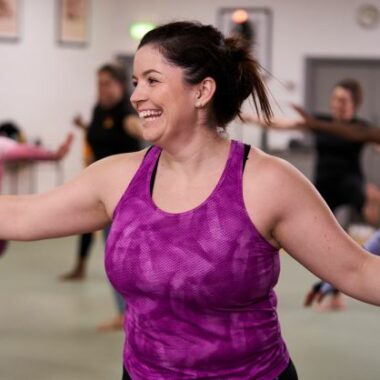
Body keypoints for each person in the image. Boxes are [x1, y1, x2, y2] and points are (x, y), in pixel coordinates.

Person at [2, 21, 380, 379]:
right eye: (135, 81)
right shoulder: (116, 177)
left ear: (202, 91)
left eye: (152, 80)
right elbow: (22, 215)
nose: (136, 96)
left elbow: (357, 271)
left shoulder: (266, 182)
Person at [243, 79, 378, 310]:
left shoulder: (359, 128)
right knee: (330, 241)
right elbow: (285, 124)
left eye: (342, 100)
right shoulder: (319, 122)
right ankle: (334, 292)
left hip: (351, 183)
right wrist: (254, 120)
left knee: (371, 207)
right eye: (334, 99)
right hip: (323, 186)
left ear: (353, 104)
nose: (337, 104)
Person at [60, 63, 142, 331]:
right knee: (113, 256)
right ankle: (125, 313)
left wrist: (155, 131)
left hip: (125, 197)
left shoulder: (125, 114)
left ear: (121, 85)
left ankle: (128, 315)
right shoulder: (98, 110)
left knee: (123, 259)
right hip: (100, 192)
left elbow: (136, 128)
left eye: (108, 83)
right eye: (99, 83)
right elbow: (99, 134)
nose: (102, 89)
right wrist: (83, 125)